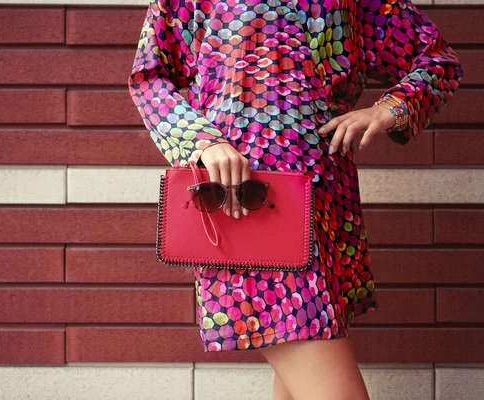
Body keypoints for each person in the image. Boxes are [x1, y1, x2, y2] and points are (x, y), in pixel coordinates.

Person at [127, 0, 463, 398]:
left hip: (326, 207)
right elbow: (149, 77)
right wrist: (201, 141)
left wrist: (390, 109)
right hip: (244, 208)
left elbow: (436, 59)